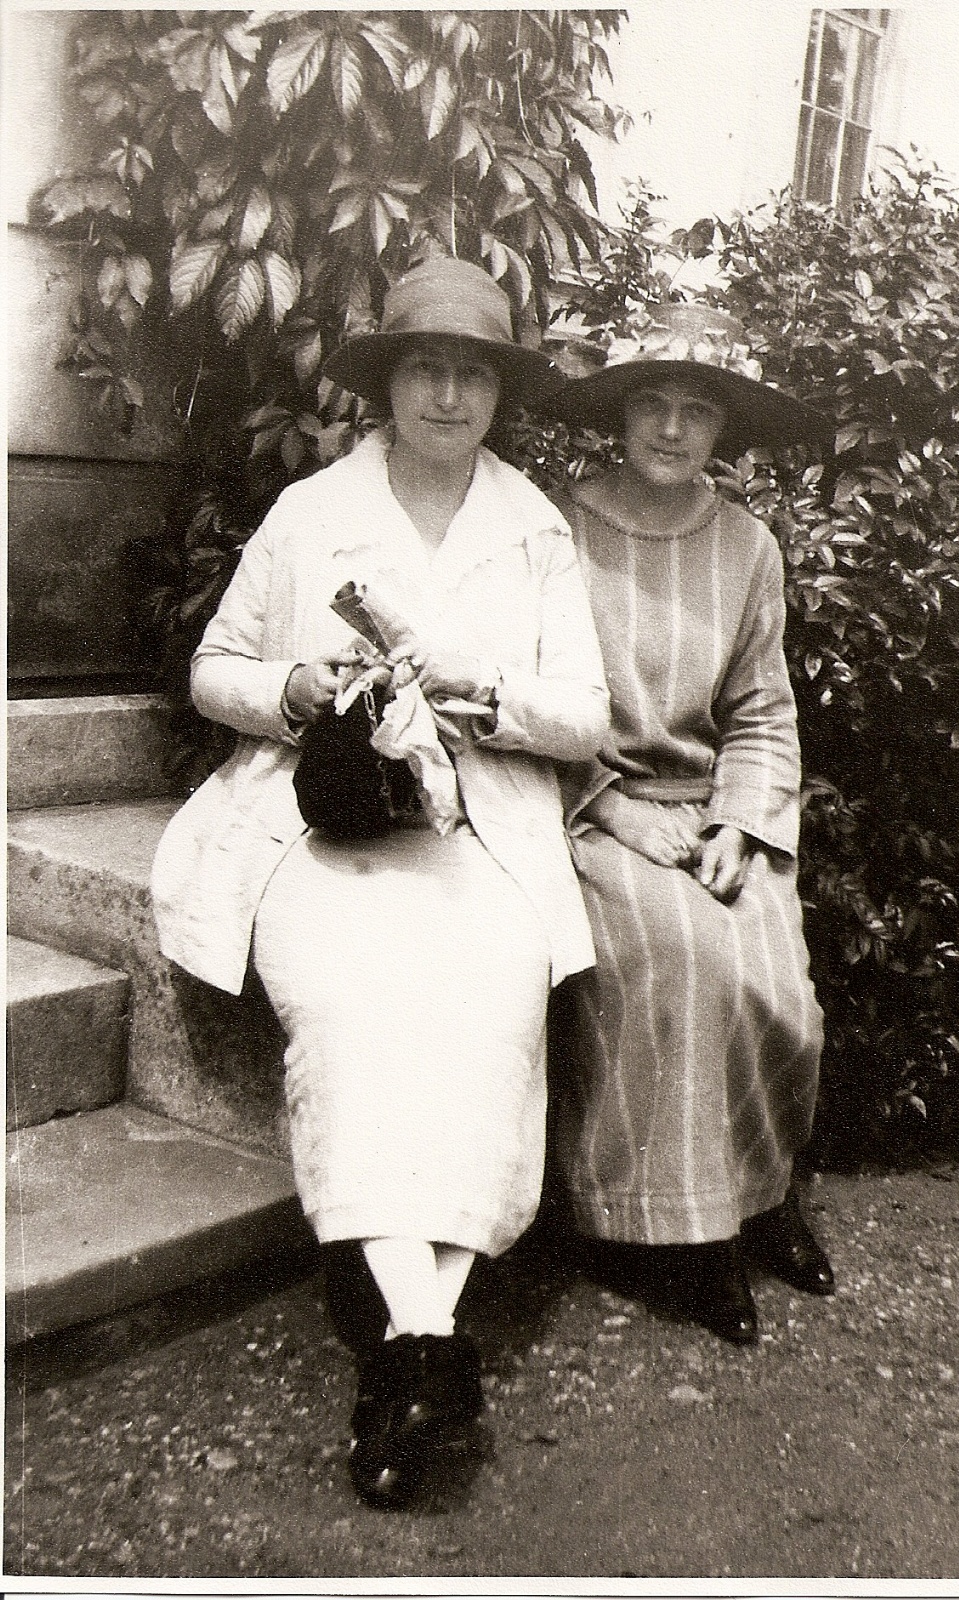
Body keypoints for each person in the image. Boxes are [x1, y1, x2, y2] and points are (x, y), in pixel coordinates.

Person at [151, 256, 609, 1508]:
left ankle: (411, 1348)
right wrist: (290, 688)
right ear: (387, 383)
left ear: (497, 394)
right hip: (329, 824)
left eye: (471, 374)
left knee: (490, 997)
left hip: (480, 829)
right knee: (352, 1001)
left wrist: (487, 692)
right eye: (425, 369)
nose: (447, 395)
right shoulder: (311, 512)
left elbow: (586, 715)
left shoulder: (533, 529)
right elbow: (212, 670)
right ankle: (428, 1345)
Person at [548, 303, 834, 1345]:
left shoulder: (746, 546)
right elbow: (522, 702)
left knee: (775, 980)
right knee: (677, 957)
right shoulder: (555, 530)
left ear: (724, 430)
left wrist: (737, 826)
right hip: (586, 808)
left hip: (706, 816)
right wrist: (614, 809)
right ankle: (673, 1237)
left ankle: (763, 1194)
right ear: (620, 414)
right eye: (652, 403)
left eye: (698, 411)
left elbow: (760, 712)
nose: (671, 429)